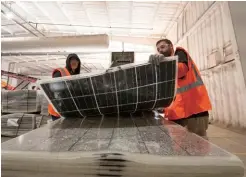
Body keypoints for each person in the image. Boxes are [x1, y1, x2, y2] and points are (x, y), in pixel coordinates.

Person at [150, 39, 212, 138]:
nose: (160, 50)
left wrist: (164, 62)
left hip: (194, 111)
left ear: (171, 46)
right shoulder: (165, 68)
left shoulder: (180, 53)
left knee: (199, 145)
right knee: (180, 148)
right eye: (158, 49)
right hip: (176, 114)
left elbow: (181, 70)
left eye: (162, 47)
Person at [48, 53, 81, 121]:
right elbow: (55, 90)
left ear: (78, 63)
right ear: (68, 62)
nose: (74, 62)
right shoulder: (61, 72)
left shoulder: (75, 76)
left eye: (76, 61)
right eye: (72, 61)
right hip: (58, 109)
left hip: (67, 109)